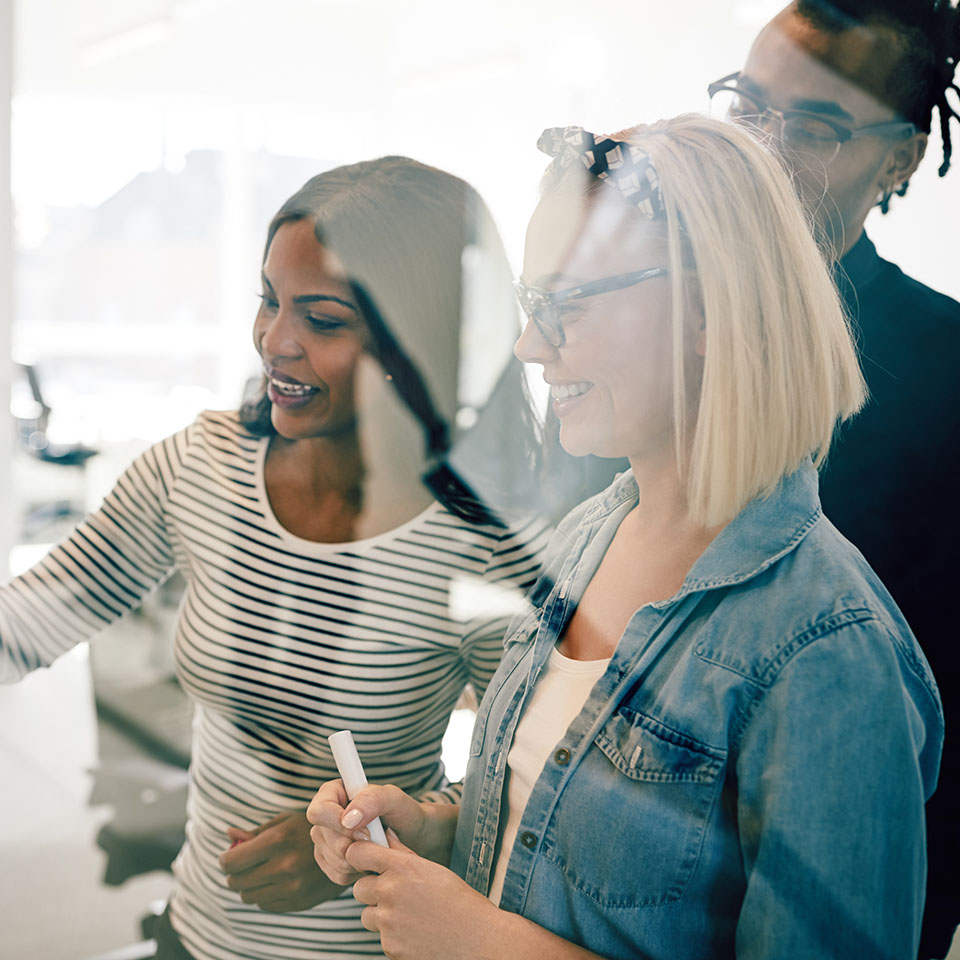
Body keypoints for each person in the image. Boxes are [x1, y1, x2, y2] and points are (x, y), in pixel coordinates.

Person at [306, 115, 943, 960]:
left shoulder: (827, 650)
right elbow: (555, 820)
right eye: (534, 306)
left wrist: (484, 944)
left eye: (567, 304)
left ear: (715, 302)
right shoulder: (589, 535)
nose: (533, 346)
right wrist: (431, 830)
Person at [0, 157, 547, 960]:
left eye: (321, 320)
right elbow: (30, 619)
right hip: (192, 934)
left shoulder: (482, 544)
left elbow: (520, 795)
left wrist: (353, 842)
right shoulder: (202, 467)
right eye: (268, 300)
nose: (275, 342)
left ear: (413, 337)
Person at [708, 4, 960, 953]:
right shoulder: (643, 333)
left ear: (900, 160)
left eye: (816, 126)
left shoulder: (947, 374)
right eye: (750, 107)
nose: (768, 151)